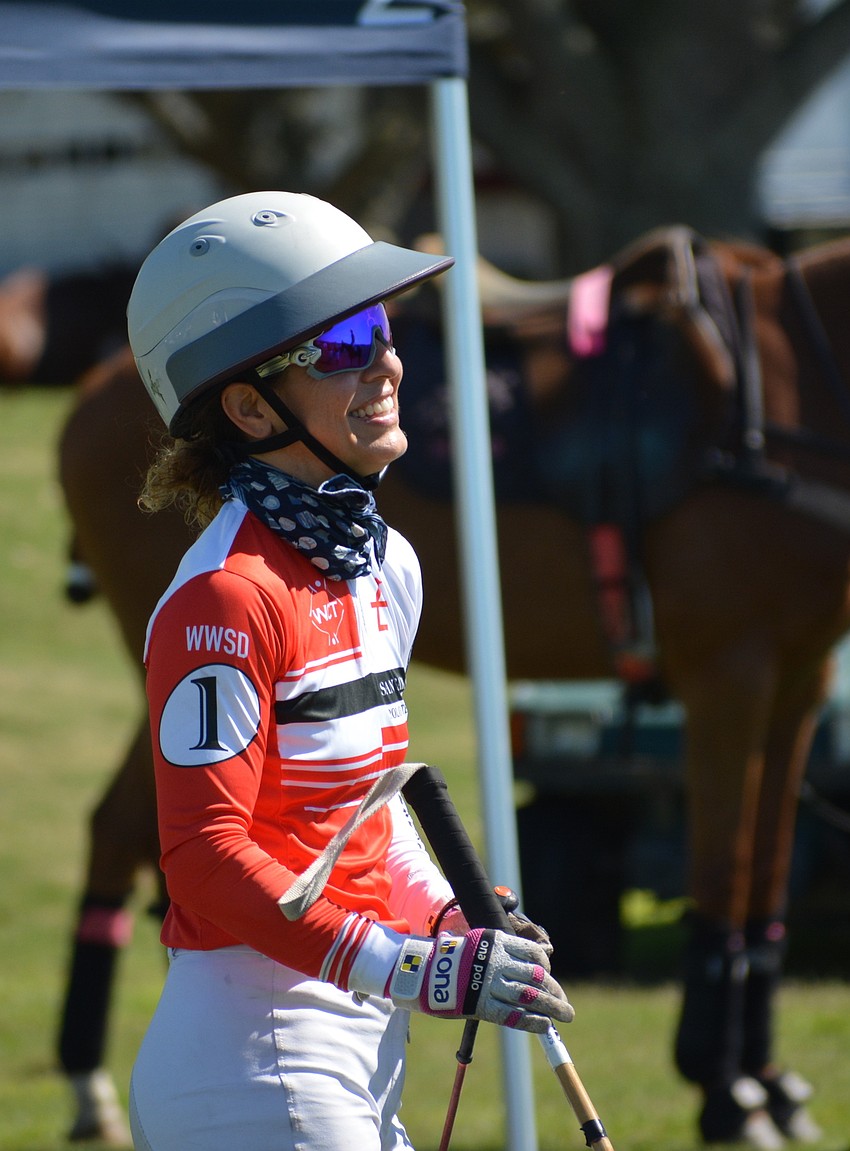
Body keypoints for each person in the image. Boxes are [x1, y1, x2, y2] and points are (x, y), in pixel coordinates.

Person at [124, 190, 573, 1151]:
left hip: (352, 1049)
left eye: (383, 329)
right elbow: (204, 857)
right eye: (342, 343)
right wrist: (413, 969)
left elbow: (367, 812)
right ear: (249, 405)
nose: (387, 364)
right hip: (257, 1059)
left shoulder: (383, 562)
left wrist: (450, 918)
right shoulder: (224, 599)